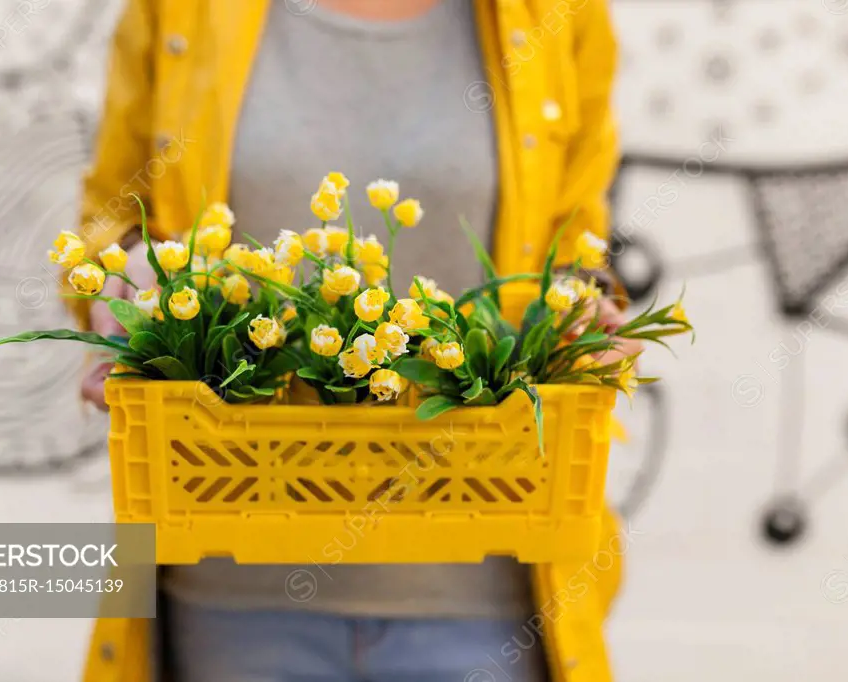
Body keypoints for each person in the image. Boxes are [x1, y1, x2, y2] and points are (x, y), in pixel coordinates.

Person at [71, 1, 626, 680]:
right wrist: (121, 282)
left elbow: (577, 240)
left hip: (484, 594)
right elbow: (110, 216)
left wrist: (581, 311)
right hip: (231, 591)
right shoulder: (177, 11)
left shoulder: (558, 15)